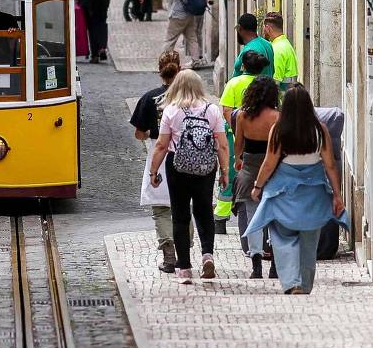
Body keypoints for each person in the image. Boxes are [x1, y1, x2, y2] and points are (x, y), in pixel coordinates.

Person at [240, 83, 344, 293]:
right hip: (313, 191)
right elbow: (330, 164)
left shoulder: (278, 130)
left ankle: (291, 282)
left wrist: (258, 187)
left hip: (284, 191)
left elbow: (269, 162)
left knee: (281, 236)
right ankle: (304, 284)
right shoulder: (320, 130)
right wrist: (337, 195)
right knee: (309, 240)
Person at [146, 68, 230, 282]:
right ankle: (207, 256)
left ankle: (184, 268)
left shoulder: (171, 111)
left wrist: (153, 171)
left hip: (177, 168)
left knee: (181, 216)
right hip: (206, 168)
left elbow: (161, 145)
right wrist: (225, 171)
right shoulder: (212, 110)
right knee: (204, 212)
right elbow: (222, 145)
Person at [130, 50, 184, 272]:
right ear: (179, 69)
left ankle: (169, 255)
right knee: (183, 206)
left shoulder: (149, 98)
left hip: (159, 156)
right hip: (185, 155)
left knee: (161, 208)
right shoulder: (189, 99)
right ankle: (185, 253)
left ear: (160, 71)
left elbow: (140, 134)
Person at [227, 70, 280, 279]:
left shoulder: (242, 116)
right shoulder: (278, 117)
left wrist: (238, 161)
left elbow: (238, 146)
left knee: (252, 220)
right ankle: (275, 265)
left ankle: (256, 265)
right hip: (274, 172)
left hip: (249, 171)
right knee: (275, 219)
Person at [162, 0, 210, 67]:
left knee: (170, 39)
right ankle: (196, 61)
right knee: (192, 38)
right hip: (190, 15)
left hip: (177, 17)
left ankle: (165, 63)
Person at [262, 10, 299, 81]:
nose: (263, 31)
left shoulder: (275, 49)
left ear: (268, 28)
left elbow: (275, 82)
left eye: (264, 28)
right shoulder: (286, 44)